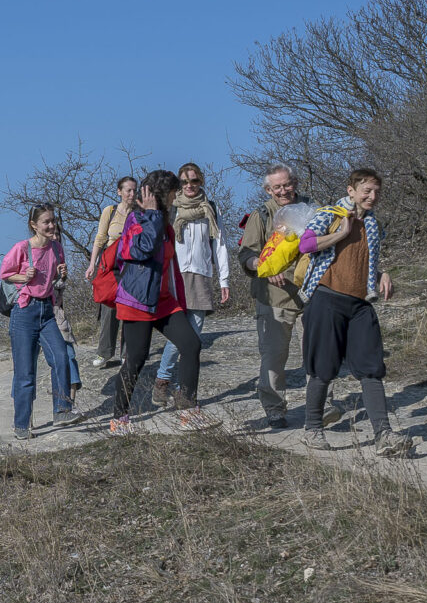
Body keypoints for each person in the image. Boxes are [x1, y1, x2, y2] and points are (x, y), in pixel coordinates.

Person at [297, 168, 413, 458]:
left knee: (371, 368)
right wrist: (341, 233)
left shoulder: (373, 224)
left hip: (360, 303)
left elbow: (365, 260)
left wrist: (382, 274)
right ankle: (312, 429)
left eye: (376, 192)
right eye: (366, 191)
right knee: (323, 368)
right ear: (351, 191)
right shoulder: (330, 214)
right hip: (326, 297)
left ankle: (383, 435)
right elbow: (306, 244)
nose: (372, 196)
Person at [108, 170, 207, 435]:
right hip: (137, 301)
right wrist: (152, 214)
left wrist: (179, 301)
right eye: (173, 193)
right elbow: (140, 250)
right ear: (161, 195)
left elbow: (170, 267)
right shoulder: (136, 219)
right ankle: (119, 421)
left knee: (191, 344)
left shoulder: (165, 224)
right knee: (135, 360)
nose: (176, 198)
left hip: (163, 302)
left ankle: (188, 412)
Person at [235, 165, 308, 423]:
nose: (283, 190)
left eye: (287, 184)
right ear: (268, 190)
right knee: (274, 356)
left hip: (311, 293)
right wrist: (264, 266)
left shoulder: (311, 208)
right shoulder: (262, 214)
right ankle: (275, 409)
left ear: (295, 182)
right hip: (274, 296)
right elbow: (246, 254)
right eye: (277, 187)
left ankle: (323, 405)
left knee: (318, 353)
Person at [0, 205, 75, 438]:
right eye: (46, 222)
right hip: (24, 311)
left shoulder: (57, 247)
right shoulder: (22, 248)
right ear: (34, 225)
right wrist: (24, 276)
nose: (51, 225)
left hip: (47, 310)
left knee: (61, 357)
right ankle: (22, 425)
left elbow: (55, 280)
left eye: (53, 221)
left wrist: (61, 275)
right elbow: (5, 274)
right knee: (25, 373)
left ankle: (62, 410)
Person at [156, 163, 232, 387]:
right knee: (181, 335)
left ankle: (178, 386)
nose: (189, 185)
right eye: (184, 181)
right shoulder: (170, 208)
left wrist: (224, 279)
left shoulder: (211, 208)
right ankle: (164, 379)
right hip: (175, 275)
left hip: (201, 274)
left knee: (193, 335)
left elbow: (219, 244)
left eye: (194, 180)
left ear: (201, 181)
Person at [88, 176, 137, 366]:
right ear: (119, 191)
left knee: (129, 307)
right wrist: (92, 264)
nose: (132, 194)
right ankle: (104, 353)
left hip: (132, 265)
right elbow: (100, 238)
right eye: (128, 190)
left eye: (134, 190)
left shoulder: (140, 213)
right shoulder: (110, 211)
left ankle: (127, 353)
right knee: (109, 307)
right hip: (110, 264)